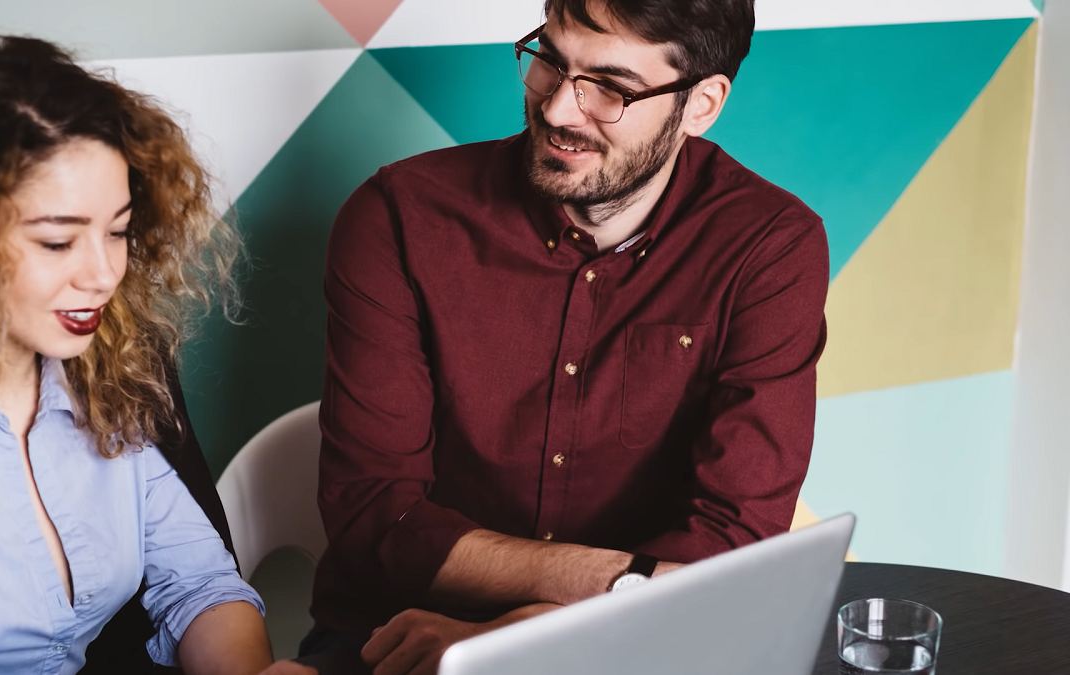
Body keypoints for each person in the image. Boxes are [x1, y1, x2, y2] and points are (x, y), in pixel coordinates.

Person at [304, 0, 829, 673]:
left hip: (641, 645)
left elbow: (736, 532)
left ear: (701, 105)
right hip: (400, 632)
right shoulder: (399, 218)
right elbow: (374, 515)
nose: (556, 109)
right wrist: (611, 587)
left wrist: (551, 628)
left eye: (609, 88)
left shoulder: (769, 246)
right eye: (550, 60)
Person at [0, 36, 308, 675]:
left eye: (119, 231)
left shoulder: (119, 364)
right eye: (57, 242)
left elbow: (200, 583)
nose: (103, 275)